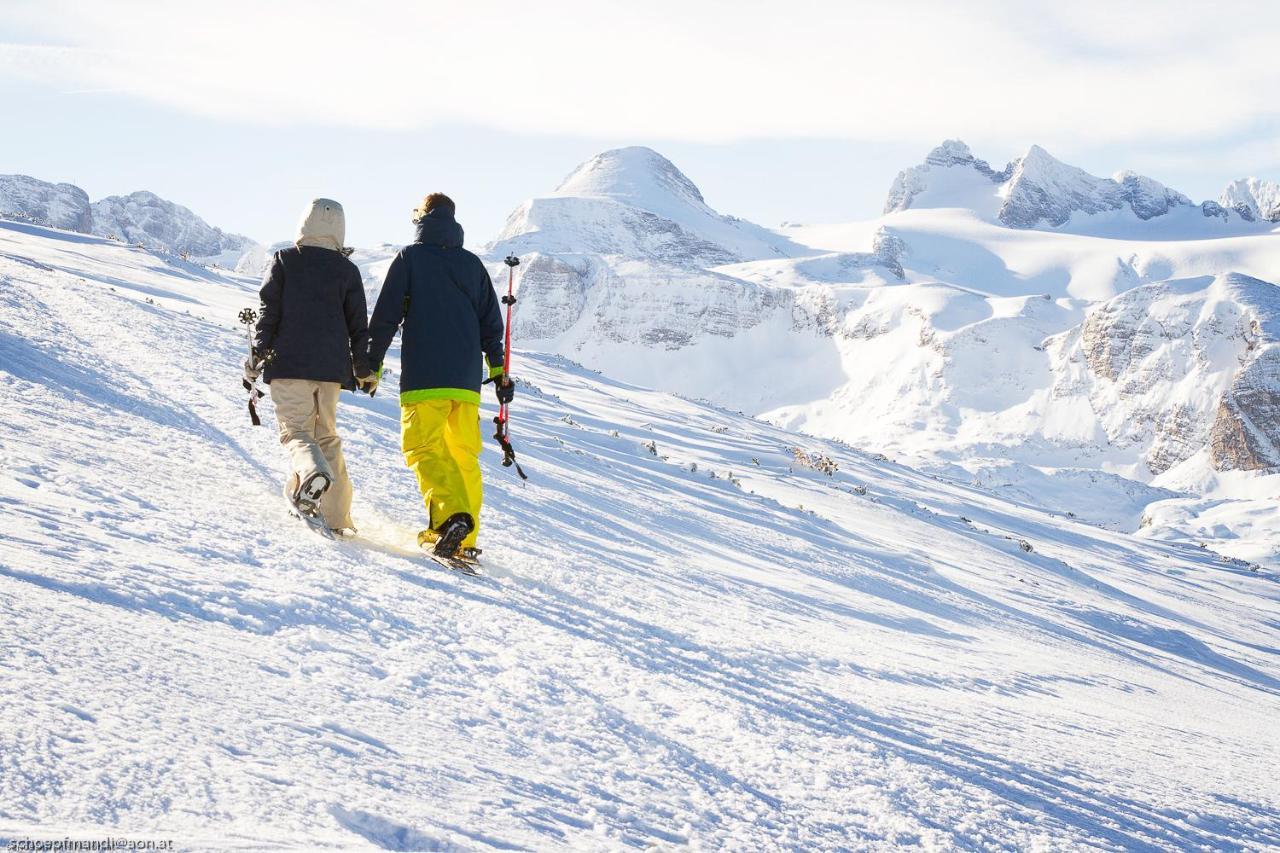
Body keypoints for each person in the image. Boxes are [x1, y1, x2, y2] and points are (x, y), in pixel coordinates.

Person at [366, 192, 512, 559]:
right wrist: (498, 373)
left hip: (424, 377)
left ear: (422, 218)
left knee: (423, 447)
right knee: (464, 456)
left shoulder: (410, 259)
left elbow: (385, 317)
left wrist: (371, 364)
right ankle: (465, 538)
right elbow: (491, 326)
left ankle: (449, 519)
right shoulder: (472, 265)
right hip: (465, 383)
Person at [245, 198, 373, 536]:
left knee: (297, 432)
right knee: (327, 437)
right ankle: (337, 518)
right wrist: (363, 369)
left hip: (288, 363)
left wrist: (256, 356)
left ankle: (311, 477)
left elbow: (267, 314)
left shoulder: (285, 261)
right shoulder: (347, 271)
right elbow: (359, 326)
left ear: (304, 223)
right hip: (332, 371)